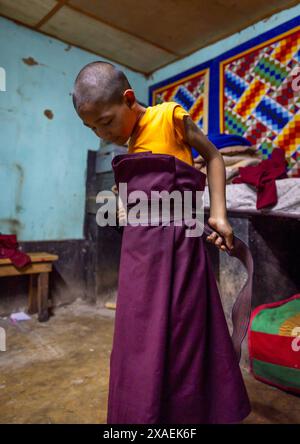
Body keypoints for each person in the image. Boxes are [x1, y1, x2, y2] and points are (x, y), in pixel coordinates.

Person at [72, 61, 251, 424]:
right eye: (92, 128)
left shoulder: (168, 116)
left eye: (105, 122)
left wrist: (218, 213)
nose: (101, 134)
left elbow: (213, 157)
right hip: (140, 256)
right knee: (138, 340)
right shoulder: (132, 144)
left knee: (185, 335)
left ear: (128, 98)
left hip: (181, 249)